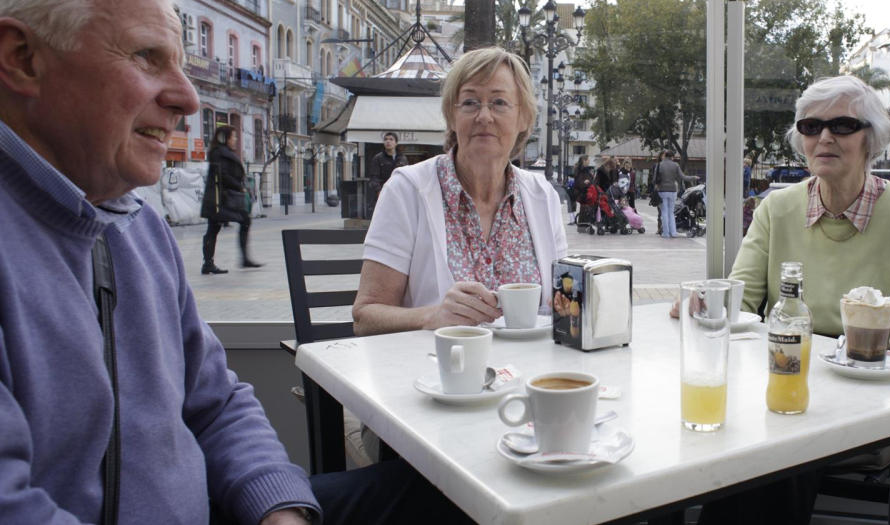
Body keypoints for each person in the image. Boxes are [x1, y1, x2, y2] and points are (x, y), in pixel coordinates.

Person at [0, 1, 474, 524]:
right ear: (21, 58)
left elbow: (217, 403)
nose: (187, 98)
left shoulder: (138, 227)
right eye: (145, 57)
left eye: (181, 62)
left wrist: (277, 506)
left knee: (451, 495)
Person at [675, 75, 890, 524]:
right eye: (811, 127)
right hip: (776, 389)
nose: (825, 137)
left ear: (871, 138)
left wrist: (859, 352)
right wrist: (703, 301)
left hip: (869, 405)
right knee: (717, 438)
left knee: (774, 454)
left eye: (843, 125)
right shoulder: (777, 209)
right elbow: (743, 304)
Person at [353, 46, 568, 335]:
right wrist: (432, 316)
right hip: (434, 372)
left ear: (524, 119)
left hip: (530, 373)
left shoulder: (543, 196)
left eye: (500, 102)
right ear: (452, 118)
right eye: (469, 102)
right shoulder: (407, 190)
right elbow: (365, 317)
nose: (484, 116)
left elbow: (560, 302)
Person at [200, 125, 262, 274]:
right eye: (233, 136)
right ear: (224, 138)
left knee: (214, 229)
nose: (235, 139)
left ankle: (209, 263)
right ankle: (239, 260)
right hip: (220, 199)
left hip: (222, 198)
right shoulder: (219, 153)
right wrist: (239, 187)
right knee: (242, 221)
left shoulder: (221, 152)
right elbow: (223, 175)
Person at [365, 131, 408, 218]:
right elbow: (374, 177)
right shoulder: (378, 158)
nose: (388, 141)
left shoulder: (402, 159)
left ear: (396, 143)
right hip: (383, 194)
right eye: (386, 139)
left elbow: (407, 176)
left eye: (391, 139)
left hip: (399, 194)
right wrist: (379, 191)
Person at [654, 151, 696, 238]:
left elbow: (654, 179)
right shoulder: (676, 165)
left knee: (664, 212)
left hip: (662, 191)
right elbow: (683, 177)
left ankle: (666, 233)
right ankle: (673, 233)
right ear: (672, 157)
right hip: (673, 191)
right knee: (671, 213)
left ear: (665, 155)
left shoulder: (659, 165)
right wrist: (693, 177)